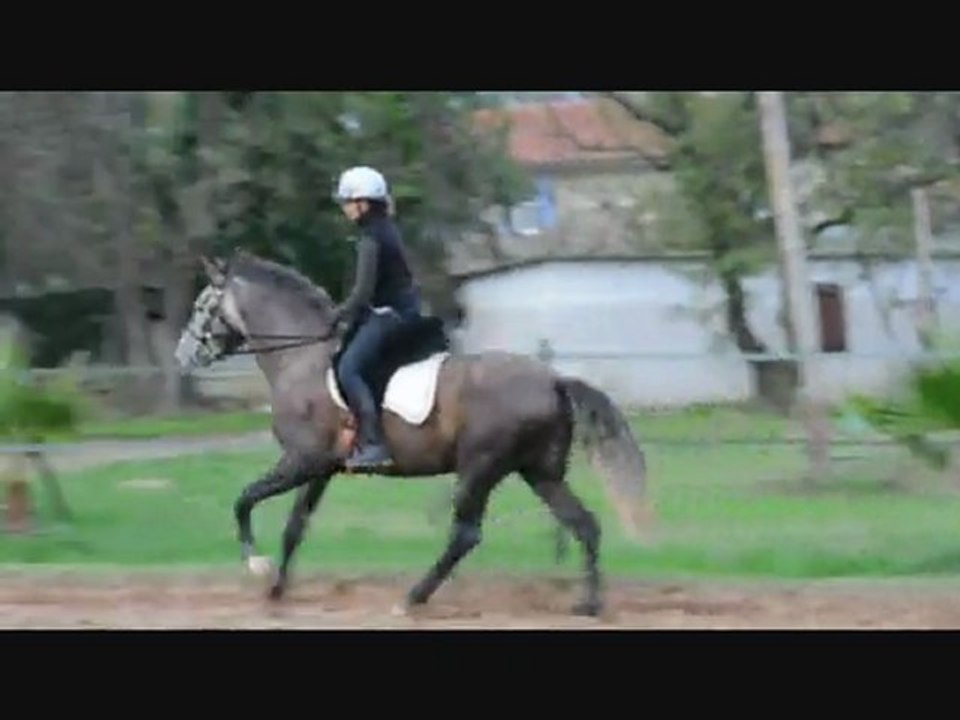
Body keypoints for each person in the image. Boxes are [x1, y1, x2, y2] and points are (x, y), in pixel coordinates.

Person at [330, 166, 422, 470]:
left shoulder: (371, 238)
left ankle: (374, 443)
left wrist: (336, 315)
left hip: (390, 315)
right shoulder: (385, 229)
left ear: (363, 204)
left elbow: (362, 293)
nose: (344, 208)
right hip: (400, 311)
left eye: (347, 201)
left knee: (348, 369)